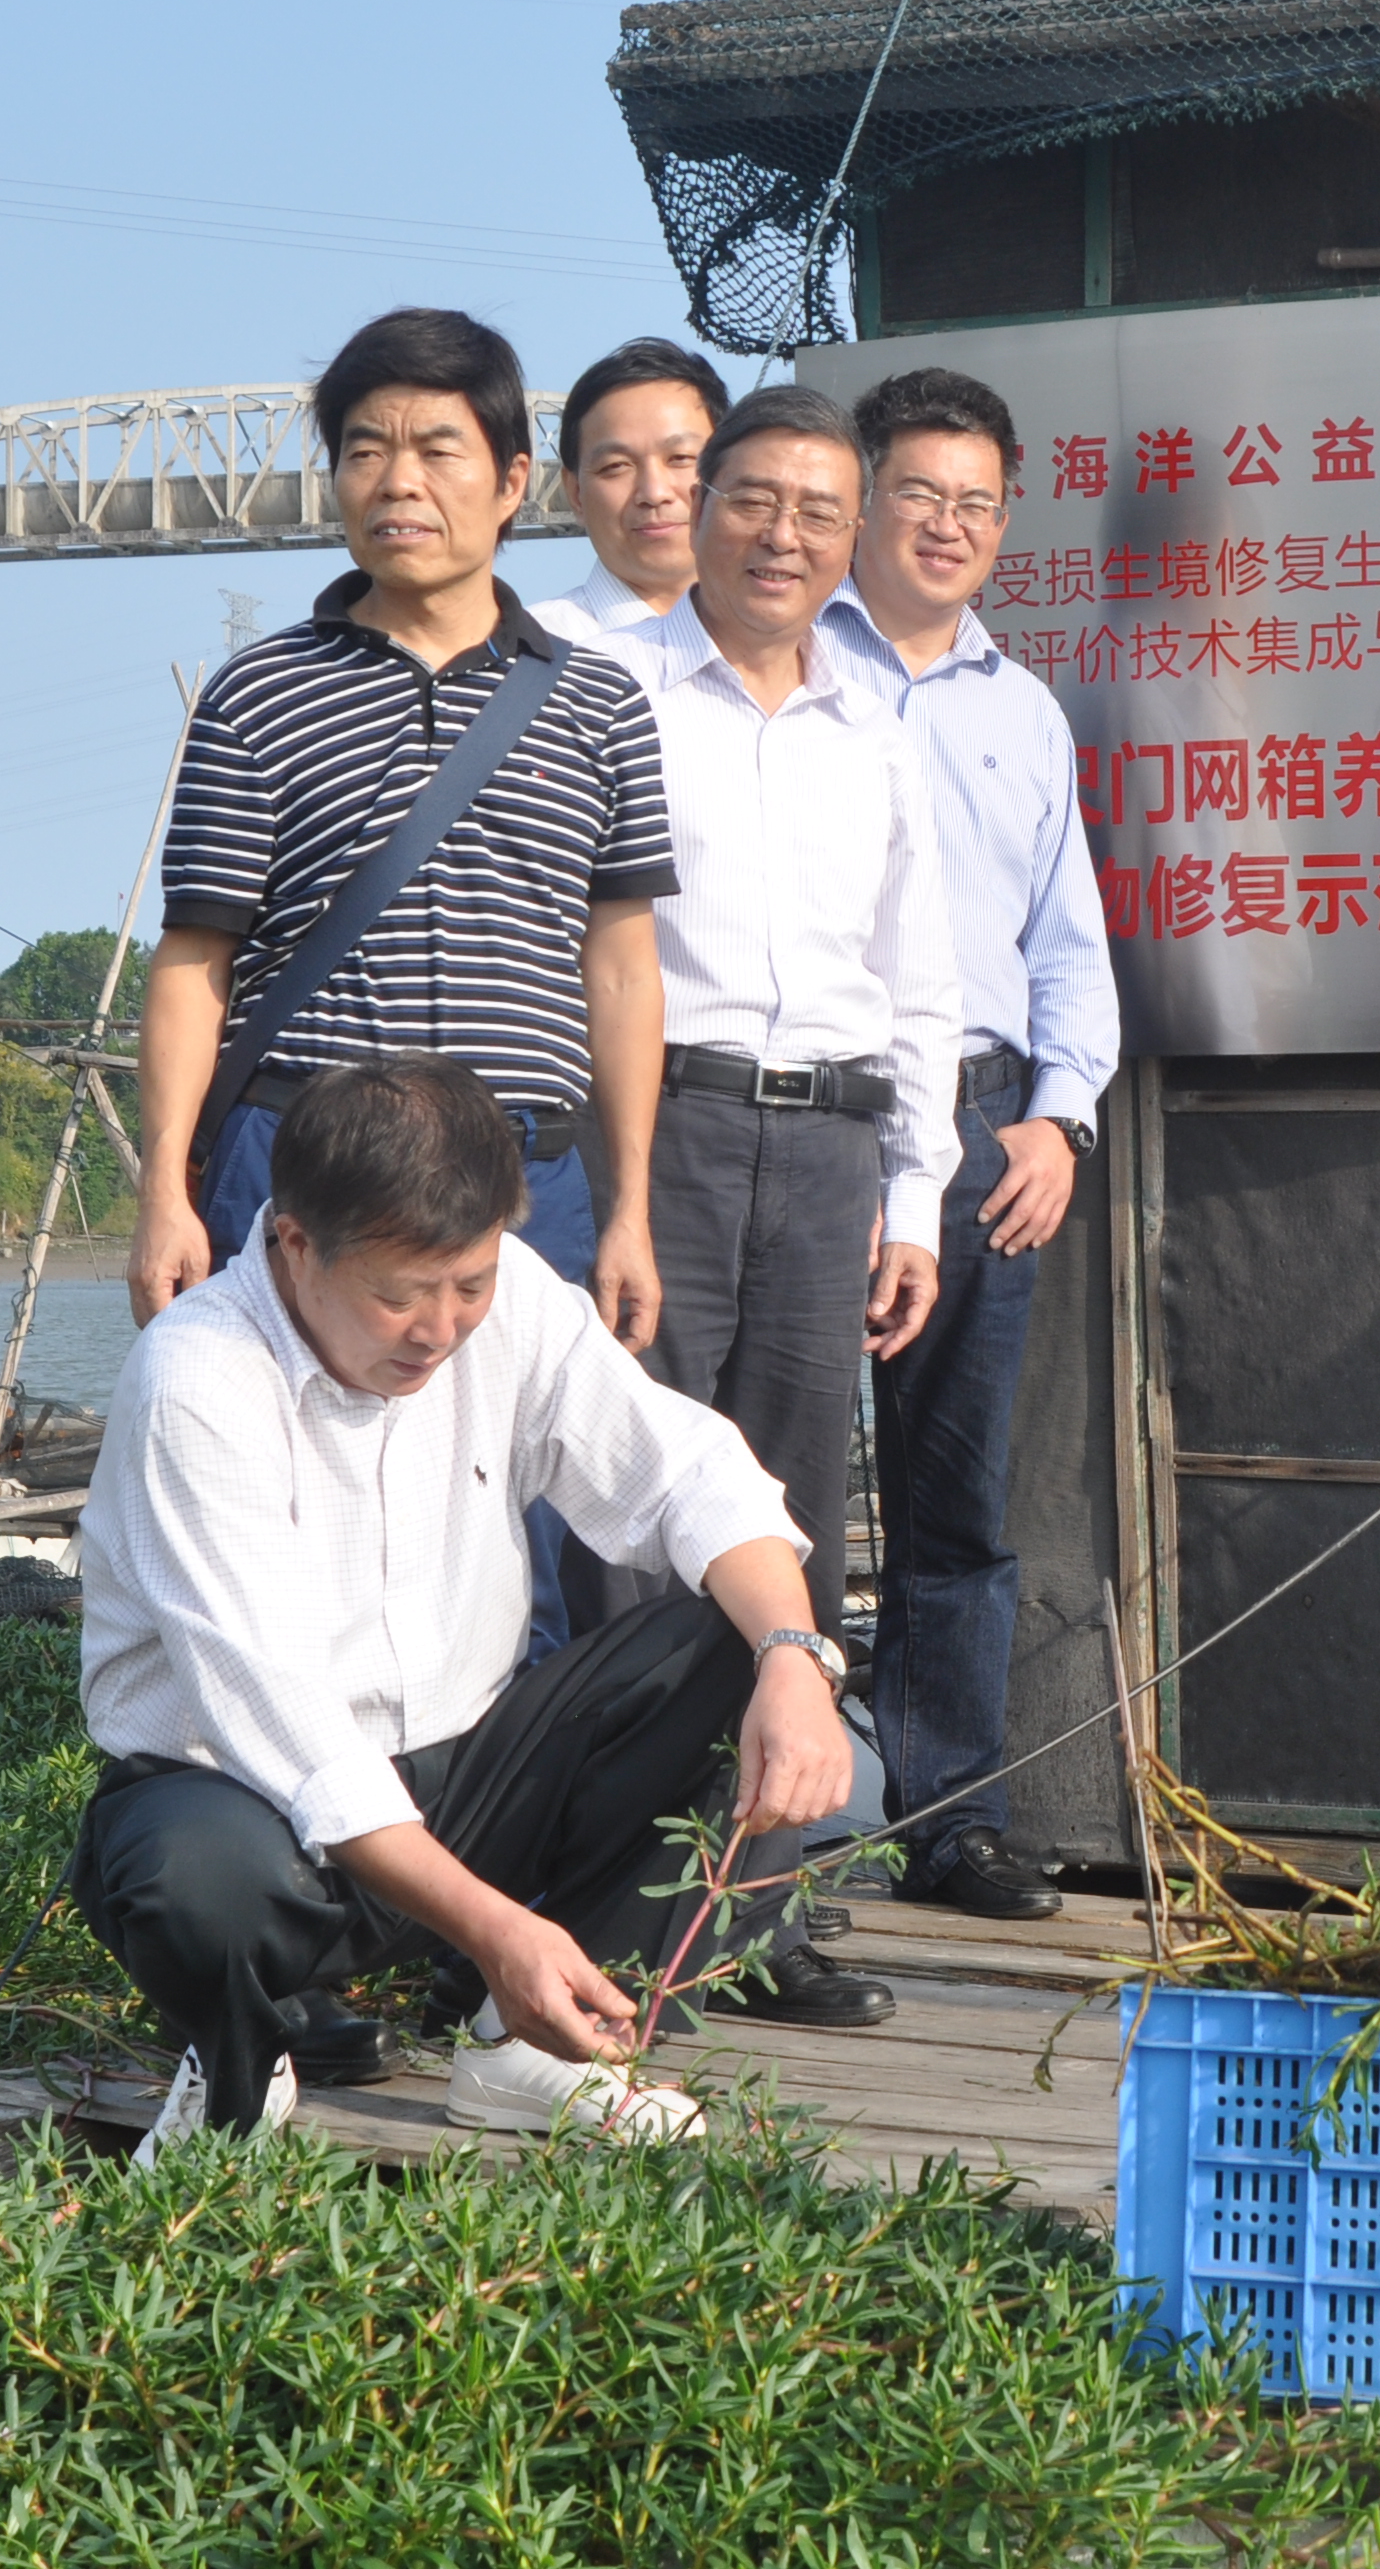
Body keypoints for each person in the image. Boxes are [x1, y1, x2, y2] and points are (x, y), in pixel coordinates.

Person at [128, 310, 675, 2075]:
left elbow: (622, 968)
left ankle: (488, 1961)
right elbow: (197, 959)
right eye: (364, 445)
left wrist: (637, 1203)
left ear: (517, 483)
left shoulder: (594, 699)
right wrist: (164, 1188)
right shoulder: (259, 692)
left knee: (508, 1548)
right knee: (271, 1537)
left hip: (527, 1184)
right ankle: (290, 1960)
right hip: (301, 1169)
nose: (397, 479)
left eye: (438, 448)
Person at [70, 1055, 856, 2151]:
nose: (439, 1328)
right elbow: (288, 1732)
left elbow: (689, 1474)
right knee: (191, 1883)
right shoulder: (194, 1377)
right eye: (398, 1294)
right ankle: (241, 2070)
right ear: (294, 1243)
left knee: (730, 1645)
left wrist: (791, 1653)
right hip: (244, 1802)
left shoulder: (516, 1298)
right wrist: (499, 1928)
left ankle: (531, 2049)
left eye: (468, 1284)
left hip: (467, 1769)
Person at [582, 380, 962, 2025]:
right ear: (694, 505)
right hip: (660, 1139)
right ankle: (615, 1910)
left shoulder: (874, 729)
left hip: (827, 1157)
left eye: (819, 509)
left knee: (785, 1536)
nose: (783, 534)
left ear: (850, 532)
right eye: (753, 499)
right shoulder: (607, 690)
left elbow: (921, 984)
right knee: (631, 1520)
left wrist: (917, 1199)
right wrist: (604, 1187)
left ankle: (756, 1916)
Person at [817, 366, 1118, 1922]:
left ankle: (953, 1821)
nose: (947, 524)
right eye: (919, 494)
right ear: (862, 498)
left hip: (990, 1122)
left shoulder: (1023, 706)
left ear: (1010, 518)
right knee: (769, 1481)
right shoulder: (790, 667)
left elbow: (1068, 935)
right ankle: (748, 1829)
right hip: (809, 1110)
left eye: (977, 502)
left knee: (957, 1493)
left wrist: (1060, 1120)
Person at [535, 337, 731, 645]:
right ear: (575, 494)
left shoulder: (801, 645)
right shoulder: (529, 654)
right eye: (616, 466)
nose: (653, 493)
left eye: (680, 458)